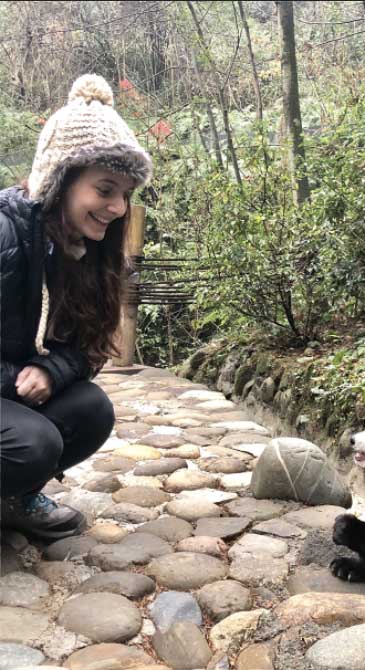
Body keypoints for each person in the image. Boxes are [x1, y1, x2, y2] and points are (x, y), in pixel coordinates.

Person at [0, 74, 152, 540]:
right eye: (105, 189)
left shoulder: (83, 251)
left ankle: (11, 499)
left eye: (125, 194)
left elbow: (87, 347)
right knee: (32, 444)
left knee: (90, 409)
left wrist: (53, 372)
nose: (118, 207)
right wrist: (15, 380)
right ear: (60, 180)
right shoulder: (6, 235)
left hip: (11, 397)